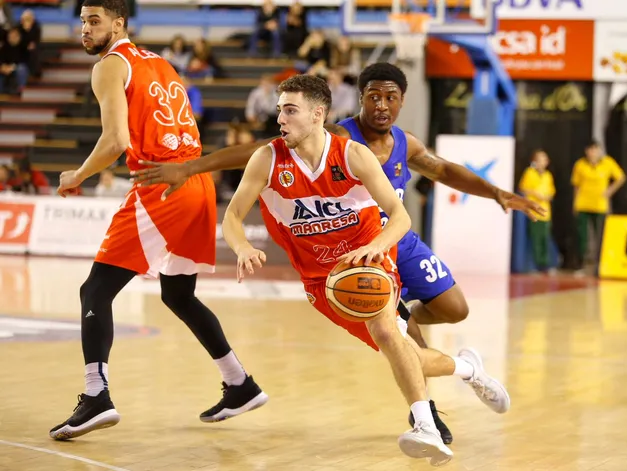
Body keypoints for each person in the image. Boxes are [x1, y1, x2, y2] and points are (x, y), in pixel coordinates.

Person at [130, 63, 543, 443]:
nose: (381, 105)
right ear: (359, 99)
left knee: (450, 311)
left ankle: (429, 405)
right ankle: (432, 409)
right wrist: (192, 168)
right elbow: (256, 153)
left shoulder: (401, 143)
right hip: (334, 268)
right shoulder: (329, 137)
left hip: (385, 242)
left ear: (402, 101)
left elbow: (444, 171)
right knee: (402, 345)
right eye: (373, 96)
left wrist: (495, 192)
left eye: (391, 97)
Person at [222, 74, 510, 465]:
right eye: (280, 111)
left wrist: (375, 247)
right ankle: (469, 368)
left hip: (369, 259)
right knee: (404, 352)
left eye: (290, 111)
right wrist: (241, 246)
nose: (280, 119)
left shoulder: (352, 155)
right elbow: (233, 216)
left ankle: (425, 426)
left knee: (387, 331)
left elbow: (400, 216)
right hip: (321, 280)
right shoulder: (268, 159)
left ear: (318, 114)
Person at [50, 0, 267, 441]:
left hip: (161, 184)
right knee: (179, 295)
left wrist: (78, 175)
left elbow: (115, 141)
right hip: (196, 182)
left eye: (94, 21)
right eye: (83, 22)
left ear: (118, 24)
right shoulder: (161, 63)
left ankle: (96, 395)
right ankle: (240, 382)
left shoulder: (109, 66)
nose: (85, 29)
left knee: (95, 290)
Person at [571, 140, 626, 274]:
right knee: (583, 235)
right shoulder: (580, 164)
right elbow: (576, 185)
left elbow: (621, 177)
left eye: (595, 149)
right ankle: (582, 264)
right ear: (586, 151)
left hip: (600, 205)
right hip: (583, 204)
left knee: (600, 236)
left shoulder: (608, 163)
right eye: (591, 150)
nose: (593, 153)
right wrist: (575, 203)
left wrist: (609, 191)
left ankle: (599, 264)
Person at [518, 149, 556, 273]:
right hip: (533, 211)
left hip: (545, 212)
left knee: (545, 239)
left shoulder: (548, 175)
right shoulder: (529, 173)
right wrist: (535, 194)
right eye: (539, 160)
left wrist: (547, 196)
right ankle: (534, 265)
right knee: (535, 240)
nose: (542, 162)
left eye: (544, 160)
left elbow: (551, 191)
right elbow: (523, 188)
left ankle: (545, 265)